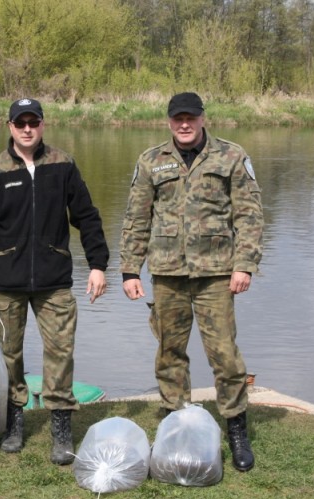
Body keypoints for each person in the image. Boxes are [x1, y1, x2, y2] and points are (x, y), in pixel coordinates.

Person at [119, 92, 263, 472]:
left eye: (191, 118)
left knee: (225, 356)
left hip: (217, 274)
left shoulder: (231, 156)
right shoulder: (151, 160)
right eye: (177, 118)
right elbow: (136, 217)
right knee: (169, 353)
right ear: (169, 121)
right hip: (167, 274)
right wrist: (130, 270)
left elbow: (249, 216)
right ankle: (175, 423)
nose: (184, 124)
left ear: (202, 118)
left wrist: (244, 265)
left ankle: (236, 429)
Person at [0, 98, 109, 465]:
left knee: (60, 352)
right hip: (3, 283)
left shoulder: (63, 165)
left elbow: (87, 217)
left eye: (33, 122)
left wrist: (98, 264)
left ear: (43, 125)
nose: (27, 128)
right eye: (20, 122)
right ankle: (14, 423)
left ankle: (61, 428)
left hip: (54, 280)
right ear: (9, 126)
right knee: (8, 357)